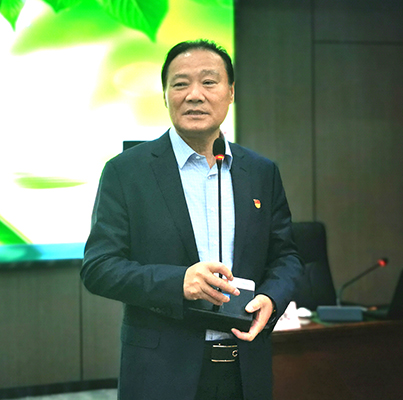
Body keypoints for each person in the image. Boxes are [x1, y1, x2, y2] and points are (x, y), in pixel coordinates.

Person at [81, 39, 304, 400]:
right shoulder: (127, 172)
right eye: (180, 84)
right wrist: (178, 282)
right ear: (165, 96)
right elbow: (99, 268)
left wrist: (271, 298)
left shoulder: (261, 172)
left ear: (231, 93)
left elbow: (287, 257)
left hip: (245, 369)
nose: (194, 95)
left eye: (209, 82)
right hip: (161, 373)